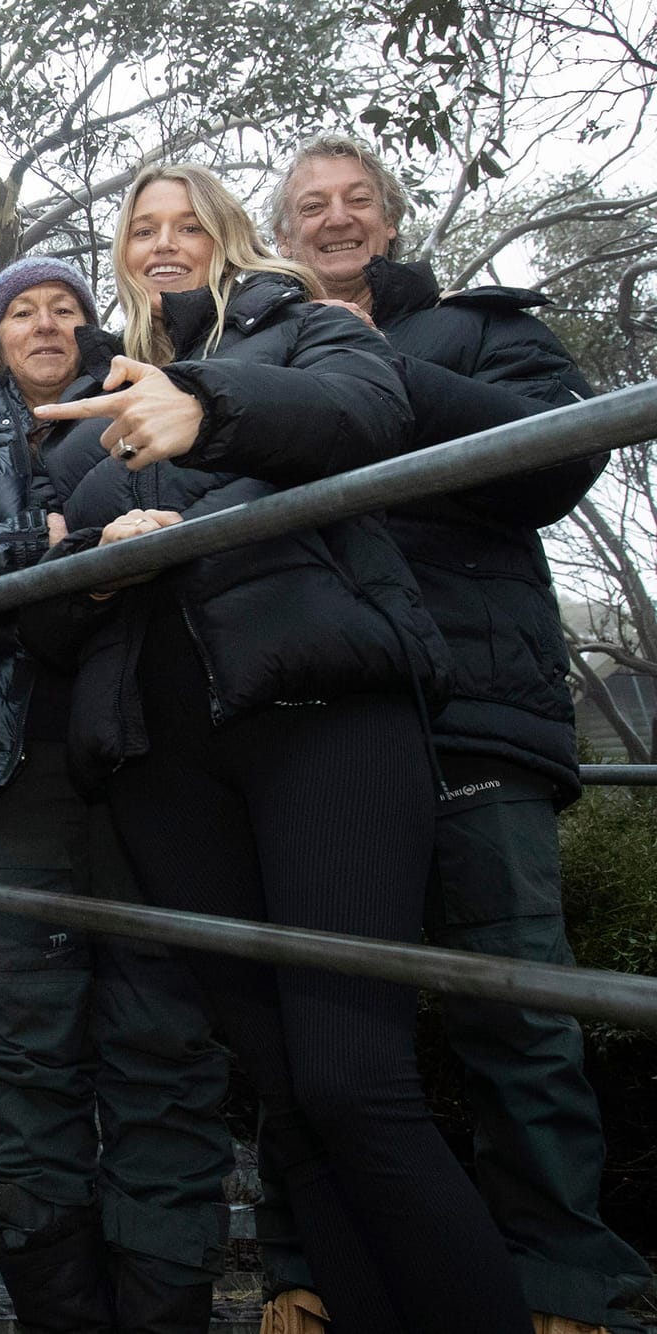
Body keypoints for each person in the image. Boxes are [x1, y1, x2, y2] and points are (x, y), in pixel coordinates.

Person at [24, 162, 534, 1334]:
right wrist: (98, 565)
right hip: (161, 764)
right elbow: (39, 622)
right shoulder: (79, 423)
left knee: (354, 1086)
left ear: (227, 236)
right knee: (290, 1103)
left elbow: (371, 419)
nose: (161, 244)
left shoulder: (301, 329)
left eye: (184, 225)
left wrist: (203, 407)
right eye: (138, 230)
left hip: (320, 723)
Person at [262, 132, 647, 1334]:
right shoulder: (253, 353)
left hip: (470, 713)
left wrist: (375, 370)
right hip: (316, 720)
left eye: (353, 201)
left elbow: (559, 457)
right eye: (308, 206)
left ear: (386, 218)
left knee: (508, 1004)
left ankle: (565, 1278)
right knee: (312, 1006)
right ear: (279, 234)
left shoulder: (473, 330)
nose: (331, 219)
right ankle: (303, 1261)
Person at [0, 256, 232, 1334]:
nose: (46, 322)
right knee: (29, 1054)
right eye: (21, 311)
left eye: (66, 308)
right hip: (2, 777)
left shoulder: (151, 415)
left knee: (167, 1047)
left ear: (91, 331)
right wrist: (47, 546)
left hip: (153, 770)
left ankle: (165, 1314)